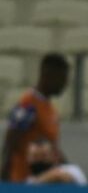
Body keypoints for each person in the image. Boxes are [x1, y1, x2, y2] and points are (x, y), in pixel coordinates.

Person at [1, 53, 69, 183]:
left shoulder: (50, 109)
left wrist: (67, 166)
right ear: (48, 75)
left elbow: (52, 148)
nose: (64, 85)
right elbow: (11, 140)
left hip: (43, 182)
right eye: (62, 79)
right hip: (22, 182)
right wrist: (5, 177)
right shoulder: (29, 105)